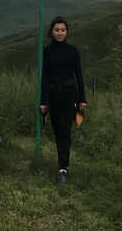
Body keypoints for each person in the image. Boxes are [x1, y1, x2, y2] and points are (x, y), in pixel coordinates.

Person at [39, 16, 87, 185]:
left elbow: (78, 74)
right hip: (53, 96)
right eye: (57, 30)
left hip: (70, 95)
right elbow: (44, 77)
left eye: (63, 30)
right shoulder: (46, 51)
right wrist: (43, 101)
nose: (60, 33)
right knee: (57, 131)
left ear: (67, 32)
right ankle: (62, 161)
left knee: (65, 131)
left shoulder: (73, 50)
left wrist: (82, 98)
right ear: (51, 32)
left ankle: (63, 168)